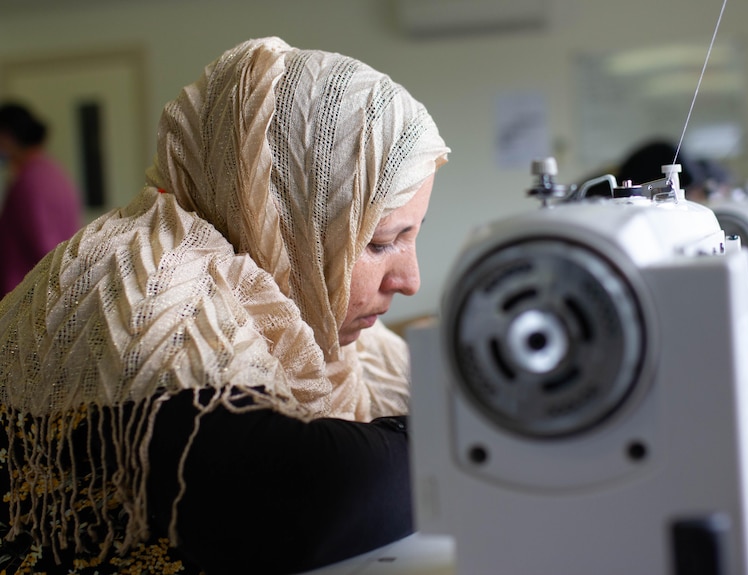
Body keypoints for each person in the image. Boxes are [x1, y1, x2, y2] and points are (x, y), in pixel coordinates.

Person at [0, 37, 449, 574]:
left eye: (411, 236)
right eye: (379, 243)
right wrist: (457, 439)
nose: (410, 280)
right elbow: (305, 499)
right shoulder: (137, 284)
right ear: (287, 214)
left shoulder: (316, 321)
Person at [0, 102, 82, 297]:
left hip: (30, 297)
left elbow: (46, 249)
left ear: (8, 136)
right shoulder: (52, 172)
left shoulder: (30, 181)